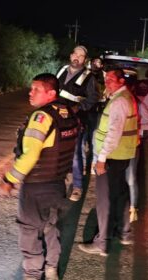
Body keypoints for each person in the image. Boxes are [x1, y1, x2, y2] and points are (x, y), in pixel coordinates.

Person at [0, 73, 79, 280]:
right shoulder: (67, 112)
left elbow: (30, 154)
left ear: (51, 93)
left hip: (36, 186)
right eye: (31, 88)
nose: (30, 93)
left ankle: (32, 274)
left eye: (36, 89)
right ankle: (51, 269)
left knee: (30, 232)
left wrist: (9, 180)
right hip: (58, 183)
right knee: (51, 228)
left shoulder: (40, 117)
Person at [78, 68, 139, 256]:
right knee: (120, 195)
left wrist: (101, 159)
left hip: (112, 157)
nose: (107, 83)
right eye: (106, 79)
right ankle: (124, 232)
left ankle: (102, 243)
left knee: (105, 200)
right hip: (121, 156)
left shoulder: (120, 101)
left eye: (111, 80)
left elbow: (113, 133)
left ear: (122, 81)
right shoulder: (126, 97)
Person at [56, 46, 100, 201]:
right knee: (56, 150)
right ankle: (57, 183)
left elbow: (93, 98)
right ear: (71, 55)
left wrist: (77, 108)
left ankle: (77, 187)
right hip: (56, 118)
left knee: (75, 153)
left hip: (76, 120)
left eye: (81, 56)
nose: (77, 57)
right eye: (75, 54)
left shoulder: (89, 77)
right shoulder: (61, 70)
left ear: (85, 60)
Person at [124, 70, 148, 223]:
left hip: (131, 145)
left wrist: (137, 126)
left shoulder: (138, 104)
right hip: (116, 147)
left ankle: (133, 208)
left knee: (131, 178)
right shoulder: (115, 102)